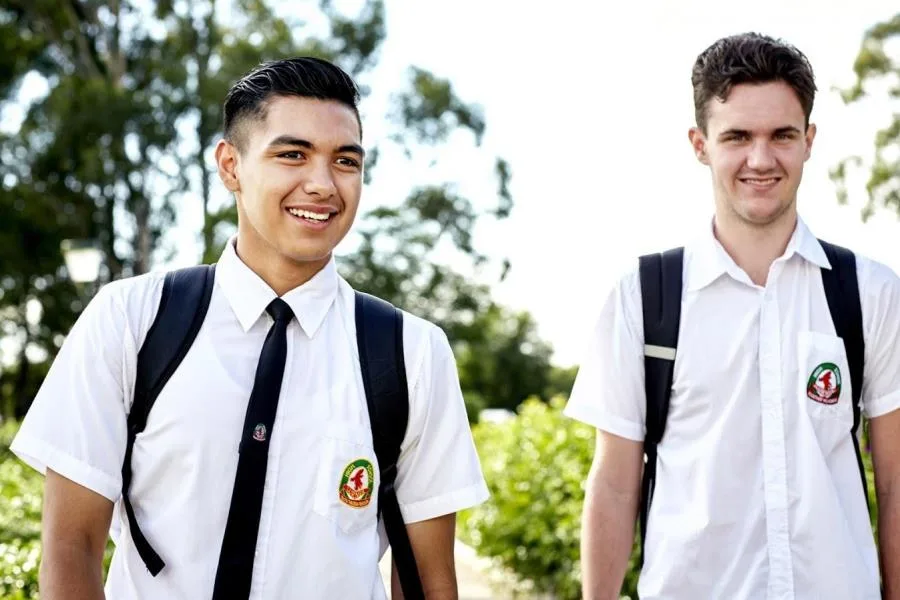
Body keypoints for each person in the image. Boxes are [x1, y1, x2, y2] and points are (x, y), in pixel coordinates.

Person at [11, 56, 488, 599]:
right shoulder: (130, 320)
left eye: (346, 161)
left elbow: (428, 579)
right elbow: (71, 548)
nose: (322, 184)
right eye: (292, 155)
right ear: (231, 165)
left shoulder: (412, 354)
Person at [565, 32, 900, 599]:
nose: (761, 159)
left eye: (782, 136)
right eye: (737, 136)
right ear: (700, 144)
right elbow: (616, 486)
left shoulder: (870, 292)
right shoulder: (644, 297)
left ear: (809, 140)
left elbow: (894, 484)